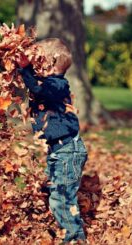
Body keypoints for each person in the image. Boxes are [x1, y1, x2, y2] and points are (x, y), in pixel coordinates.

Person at [17, 38, 88, 243]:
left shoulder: (58, 84)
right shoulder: (48, 84)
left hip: (68, 151)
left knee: (62, 198)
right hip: (58, 151)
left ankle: (75, 238)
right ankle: (68, 225)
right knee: (53, 189)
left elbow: (39, 89)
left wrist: (25, 69)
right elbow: (35, 87)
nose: (34, 66)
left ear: (50, 62)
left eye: (38, 61)